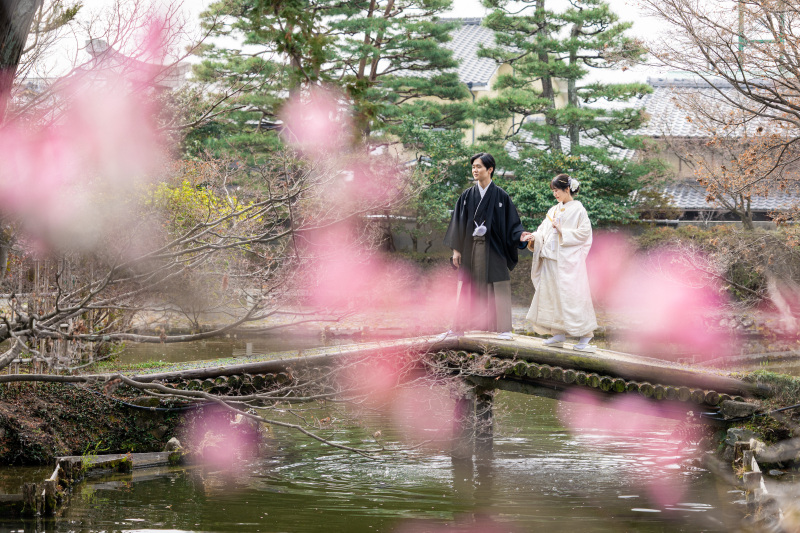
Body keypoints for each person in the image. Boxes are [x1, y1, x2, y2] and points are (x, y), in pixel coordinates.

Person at [442, 153, 528, 340]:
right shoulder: (466, 196)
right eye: (473, 167)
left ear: (490, 170)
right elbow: (457, 223)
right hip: (469, 247)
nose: (475, 170)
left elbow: (512, 224)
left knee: (499, 284)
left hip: (494, 248)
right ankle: (458, 327)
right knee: (465, 285)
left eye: (479, 167)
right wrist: (456, 250)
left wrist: (520, 235)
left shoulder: (501, 196)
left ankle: (504, 329)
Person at [524, 173, 597, 351]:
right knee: (552, 297)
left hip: (568, 263)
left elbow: (584, 234)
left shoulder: (579, 209)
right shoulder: (553, 210)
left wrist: (562, 230)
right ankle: (558, 334)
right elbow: (543, 231)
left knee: (574, 298)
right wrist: (533, 237)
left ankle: (586, 336)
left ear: (567, 189)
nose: (555, 193)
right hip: (550, 260)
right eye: (553, 191)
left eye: (557, 190)